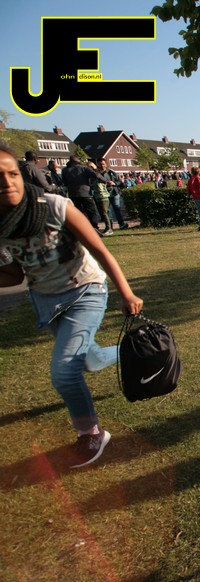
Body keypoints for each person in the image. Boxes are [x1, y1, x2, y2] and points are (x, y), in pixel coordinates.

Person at [0, 142, 143, 468]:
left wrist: (127, 293)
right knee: (89, 361)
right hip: (47, 302)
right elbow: (15, 274)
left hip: (85, 292)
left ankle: (91, 433)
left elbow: (101, 250)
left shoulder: (54, 206)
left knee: (65, 372)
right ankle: (129, 352)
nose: (7, 183)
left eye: (12, 174)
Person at [62, 156, 109, 234]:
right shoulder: (84, 168)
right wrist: (106, 181)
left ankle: (82, 229)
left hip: (73, 194)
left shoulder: (65, 170)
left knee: (78, 213)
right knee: (92, 212)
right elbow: (96, 175)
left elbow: (64, 182)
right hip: (85, 193)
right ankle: (94, 228)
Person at [97, 158, 128, 230]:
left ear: (106, 164)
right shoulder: (97, 174)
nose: (102, 166)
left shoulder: (111, 172)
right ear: (98, 165)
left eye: (103, 164)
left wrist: (114, 183)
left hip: (114, 193)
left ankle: (121, 224)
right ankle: (109, 226)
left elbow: (119, 181)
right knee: (107, 211)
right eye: (100, 164)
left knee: (117, 209)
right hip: (104, 194)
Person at [88, 161, 113, 236]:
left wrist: (108, 188)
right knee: (103, 213)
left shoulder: (99, 175)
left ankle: (109, 228)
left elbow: (108, 184)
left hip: (103, 196)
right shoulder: (92, 177)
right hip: (98, 196)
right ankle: (107, 227)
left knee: (104, 213)